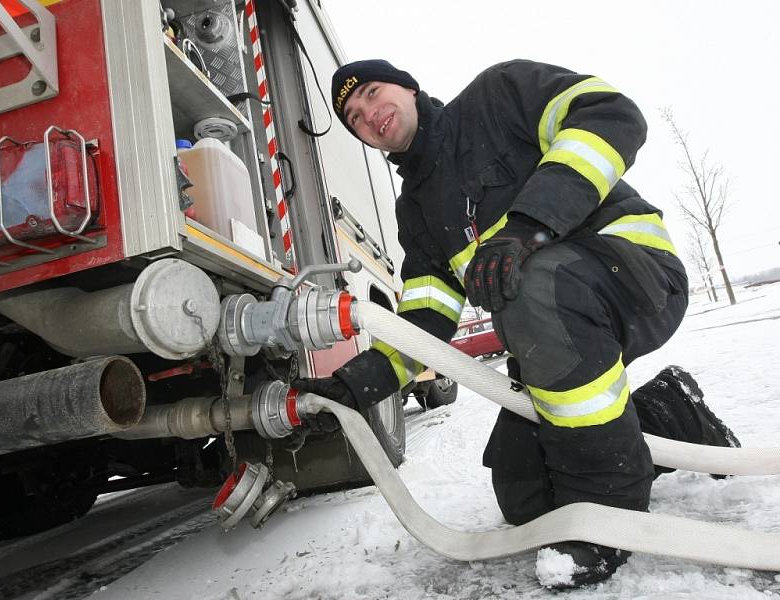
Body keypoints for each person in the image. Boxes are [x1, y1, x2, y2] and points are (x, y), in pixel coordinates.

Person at [293, 59, 739, 588]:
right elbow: (425, 321)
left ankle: (610, 513)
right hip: (556, 325)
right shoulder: (415, 210)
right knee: (526, 495)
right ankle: (673, 414)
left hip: (634, 274)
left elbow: (611, 113)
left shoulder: (496, 96)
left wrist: (532, 223)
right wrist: (354, 386)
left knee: (536, 282)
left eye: (371, 92)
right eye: (354, 115)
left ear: (409, 87)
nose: (369, 113)